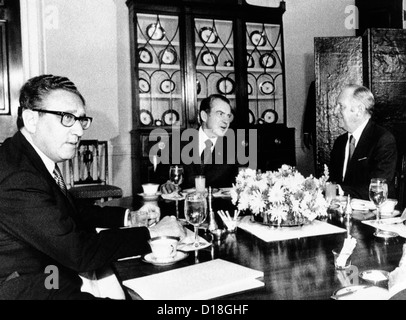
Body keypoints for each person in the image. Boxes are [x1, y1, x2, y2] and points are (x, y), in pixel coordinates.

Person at [0, 74, 185, 300]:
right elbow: (79, 252)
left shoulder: (26, 158)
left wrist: (130, 218)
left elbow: (68, 211)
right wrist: (153, 232)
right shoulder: (17, 176)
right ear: (31, 120)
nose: (79, 131)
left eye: (81, 120)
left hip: (51, 273)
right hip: (30, 286)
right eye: (67, 117)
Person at [159, 94, 239, 193]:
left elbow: (238, 185)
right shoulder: (178, 142)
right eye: (220, 114)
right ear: (204, 116)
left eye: (228, 116)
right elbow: (160, 177)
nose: (226, 121)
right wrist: (166, 185)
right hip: (183, 206)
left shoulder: (233, 147)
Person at [329, 84, 398, 200]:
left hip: (375, 213)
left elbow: (377, 187)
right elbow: (332, 180)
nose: (335, 112)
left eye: (341, 106)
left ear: (359, 110)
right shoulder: (340, 142)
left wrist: (338, 190)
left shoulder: (383, 140)